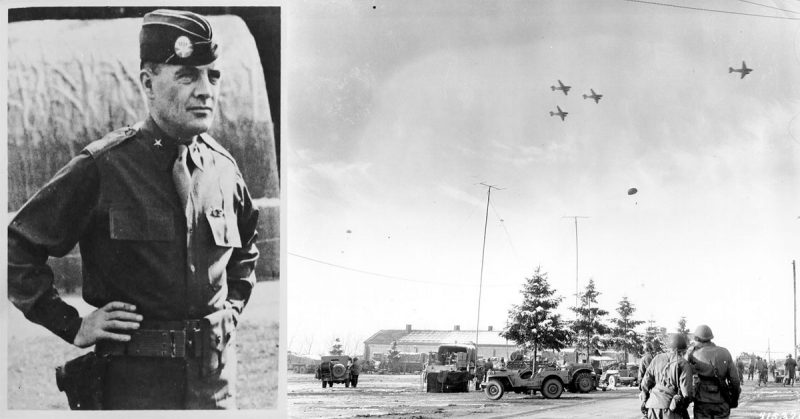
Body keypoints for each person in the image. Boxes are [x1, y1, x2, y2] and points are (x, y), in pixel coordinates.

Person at [7, 9, 260, 410]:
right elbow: (18, 245)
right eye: (187, 75)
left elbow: (247, 246)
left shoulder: (224, 170)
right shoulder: (104, 166)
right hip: (134, 391)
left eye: (213, 76)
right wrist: (72, 325)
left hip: (214, 390)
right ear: (148, 83)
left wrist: (231, 309)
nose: (206, 90)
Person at [686, 325, 741, 419]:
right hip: (722, 401)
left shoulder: (693, 354)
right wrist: (734, 400)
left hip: (702, 403)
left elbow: (685, 377)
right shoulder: (725, 352)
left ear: (697, 339)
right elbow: (735, 381)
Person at [640, 333, 693, 419]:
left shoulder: (657, 358)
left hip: (652, 406)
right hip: (671, 410)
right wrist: (682, 406)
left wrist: (644, 400)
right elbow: (687, 392)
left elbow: (645, 382)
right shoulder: (683, 363)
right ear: (682, 350)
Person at [638, 341, 657, 418]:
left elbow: (642, 374)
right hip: (656, 386)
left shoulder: (644, 358)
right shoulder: (655, 357)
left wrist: (640, 386)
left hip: (647, 385)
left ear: (645, 349)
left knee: (645, 407)